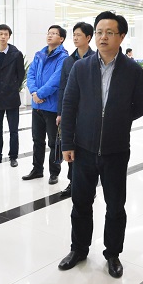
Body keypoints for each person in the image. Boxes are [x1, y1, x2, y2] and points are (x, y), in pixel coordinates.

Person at [58, 11, 143, 278]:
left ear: (122, 36)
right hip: (83, 149)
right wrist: (67, 143)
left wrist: (117, 117)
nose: (103, 37)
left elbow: (142, 103)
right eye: (99, 32)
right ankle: (78, 249)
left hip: (116, 150)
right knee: (81, 203)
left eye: (110, 32)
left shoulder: (133, 70)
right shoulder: (81, 67)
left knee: (115, 206)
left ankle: (113, 254)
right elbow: (69, 105)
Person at [22, 25, 68, 183]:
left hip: (52, 107)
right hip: (37, 106)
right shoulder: (39, 54)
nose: (50, 35)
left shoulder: (63, 57)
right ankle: (37, 169)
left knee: (54, 142)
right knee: (37, 140)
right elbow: (30, 74)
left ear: (61, 39)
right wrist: (34, 92)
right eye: (49, 33)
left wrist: (40, 94)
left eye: (54, 33)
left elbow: (56, 80)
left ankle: (54, 172)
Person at [56, 21, 95, 198]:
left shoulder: (95, 59)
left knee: (86, 150)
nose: (75, 38)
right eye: (74, 35)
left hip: (88, 113)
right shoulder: (68, 61)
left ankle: (89, 185)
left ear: (88, 37)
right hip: (71, 112)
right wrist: (60, 113)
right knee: (70, 146)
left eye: (79, 35)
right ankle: (73, 182)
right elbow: (62, 88)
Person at [0, 24, 25, 168]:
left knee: (13, 130)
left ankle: (13, 156)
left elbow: (21, 74)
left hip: (12, 96)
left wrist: (13, 86)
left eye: (5, 34)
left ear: (9, 36)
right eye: (0, 34)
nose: (3, 37)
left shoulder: (16, 54)